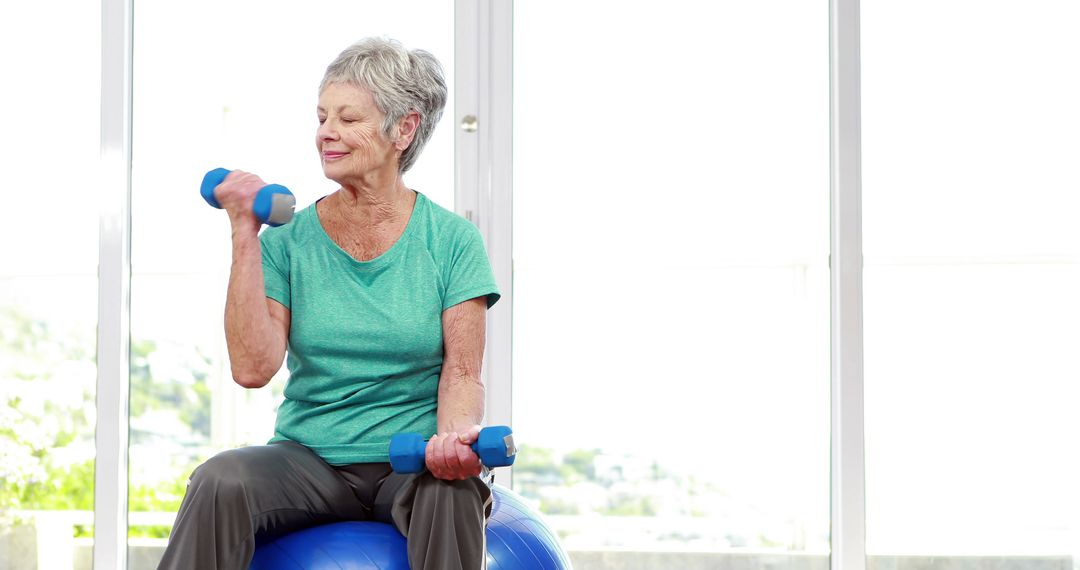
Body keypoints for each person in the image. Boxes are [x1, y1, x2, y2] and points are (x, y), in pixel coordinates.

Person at [158, 37, 500, 570]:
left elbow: (462, 374)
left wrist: (453, 442)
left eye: (347, 118)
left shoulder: (452, 241)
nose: (326, 133)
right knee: (219, 480)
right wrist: (244, 230)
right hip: (307, 460)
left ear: (403, 129)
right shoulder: (287, 242)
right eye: (321, 117)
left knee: (451, 492)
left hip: (410, 462)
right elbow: (253, 368)